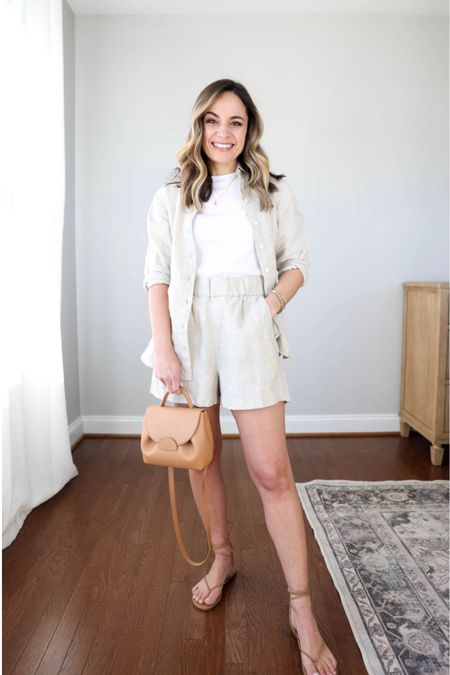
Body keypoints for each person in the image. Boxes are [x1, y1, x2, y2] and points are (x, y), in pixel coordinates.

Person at [141, 79, 338, 675]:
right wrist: (166, 350)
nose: (223, 133)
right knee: (202, 459)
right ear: (198, 127)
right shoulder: (170, 196)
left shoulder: (271, 193)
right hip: (190, 328)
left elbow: (297, 262)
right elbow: (158, 276)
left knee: (270, 471)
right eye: (212, 121)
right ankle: (222, 558)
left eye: (236, 122)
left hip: (249, 324)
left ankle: (301, 608)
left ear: (249, 130)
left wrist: (269, 307)